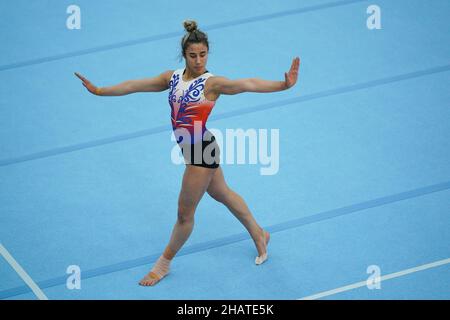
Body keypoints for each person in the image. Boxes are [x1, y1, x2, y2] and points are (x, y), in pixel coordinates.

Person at [75, 20, 300, 286]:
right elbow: (135, 85)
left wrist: (282, 85)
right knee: (221, 193)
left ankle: (163, 264)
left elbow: (246, 84)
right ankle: (259, 233)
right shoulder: (171, 78)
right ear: (184, 55)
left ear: (208, 53)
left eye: (203, 54)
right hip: (197, 148)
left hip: (200, 155)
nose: (198, 60)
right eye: (193, 55)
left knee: (184, 215)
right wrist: (100, 91)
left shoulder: (212, 84)